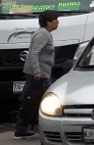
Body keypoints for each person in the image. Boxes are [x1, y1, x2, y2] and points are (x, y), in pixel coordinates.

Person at [14, 10, 60, 139]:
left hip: (43, 73)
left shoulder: (46, 34)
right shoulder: (42, 34)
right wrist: (37, 71)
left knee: (36, 100)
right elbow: (34, 53)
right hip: (38, 74)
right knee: (33, 100)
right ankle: (21, 129)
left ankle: (28, 127)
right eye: (55, 20)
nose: (58, 23)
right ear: (48, 22)